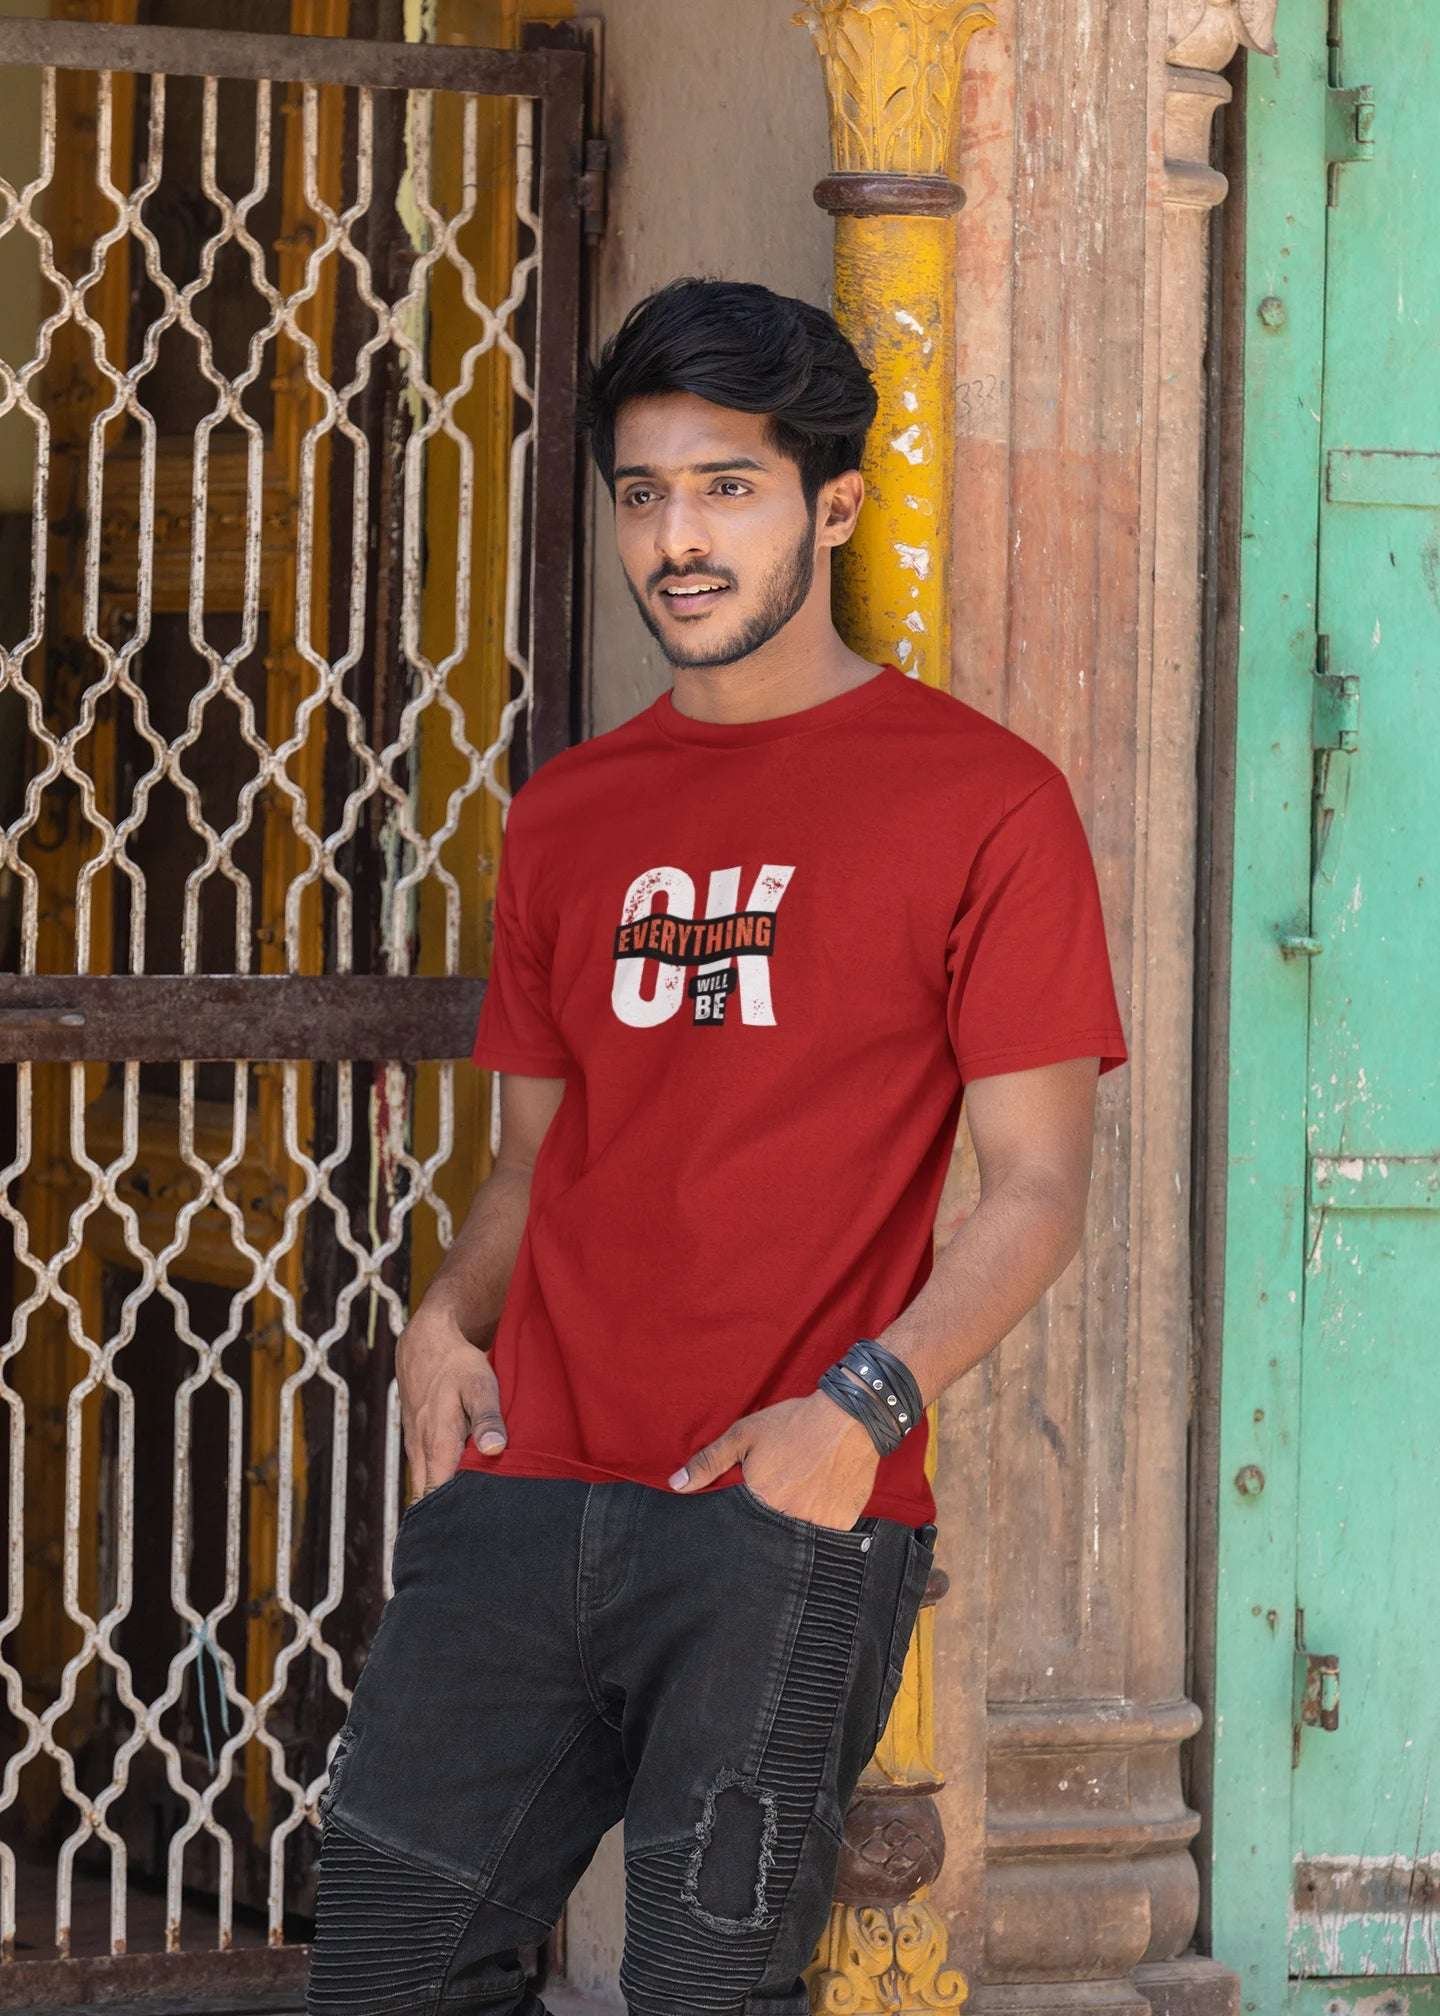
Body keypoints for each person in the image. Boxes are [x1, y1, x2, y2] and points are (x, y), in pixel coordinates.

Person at [305, 276, 1129, 2016]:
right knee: (385, 1972)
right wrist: (445, 1320)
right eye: (643, 493)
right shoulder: (568, 813)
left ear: (831, 506)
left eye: (728, 488)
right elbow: (532, 1162)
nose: (677, 538)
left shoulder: (985, 803)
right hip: (525, 1492)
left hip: (780, 1511)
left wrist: (858, 1416)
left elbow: (1039, 1192)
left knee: (706, 1994)